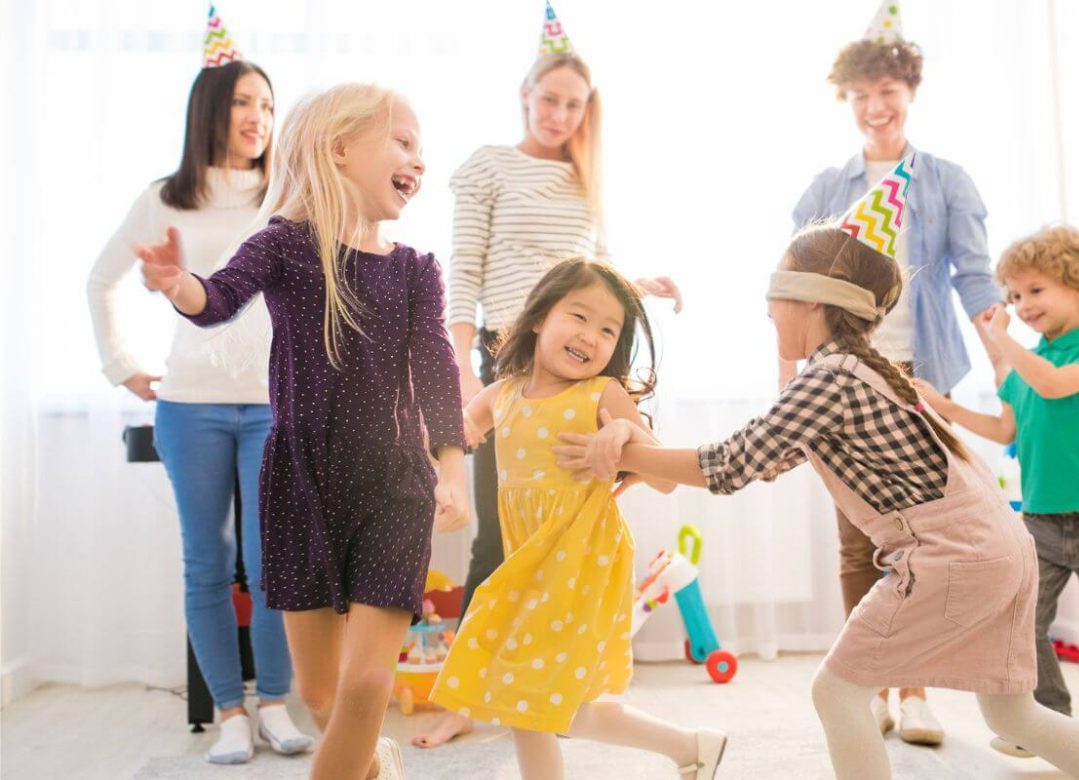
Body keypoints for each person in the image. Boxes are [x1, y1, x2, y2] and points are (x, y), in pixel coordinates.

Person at [556, 165, 1079, 780]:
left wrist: (624, 452)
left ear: (811, 299)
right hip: (1001, 549)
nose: (768, 314)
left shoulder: (831, 377)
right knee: (1014, 715)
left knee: (836, 692)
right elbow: (764, 458)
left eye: (774, 300)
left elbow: (730, 464)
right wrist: (642, 457)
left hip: (953, 557)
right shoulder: (858, 369)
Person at [137, 83, 468, 780]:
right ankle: (372, 764)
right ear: (339, 148)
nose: (419, 160)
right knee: (321, 698)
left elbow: (438, 371)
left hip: (392, 485)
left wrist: (452, 470)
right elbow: (217, 298)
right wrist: (177, 285)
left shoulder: (416, 271)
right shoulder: (284, 245)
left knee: (367, 684)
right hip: (299, 484)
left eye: (421, 149)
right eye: (403, 142)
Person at [415, 8, 681, 749]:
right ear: (526, 96)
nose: (562, 115)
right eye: (551, 99)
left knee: (573, 518)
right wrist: (461, 371)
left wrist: (636, 286)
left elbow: (590, 277)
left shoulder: (584, 178)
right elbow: (465, 272)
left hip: (579, 367)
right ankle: (467, 693)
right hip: (508, 362)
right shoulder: (490, 166)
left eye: (575, 104)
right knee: (499, 532)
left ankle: (551, 680)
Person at [86, 39, 313, 763]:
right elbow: (101, 281)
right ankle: (229, 712)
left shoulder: (287, 194)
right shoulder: (164, 198)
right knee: (207, 564)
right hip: (190, 407)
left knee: (272, 564)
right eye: (244, 102)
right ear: (210, 110)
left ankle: (274, 703)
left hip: (273, 405)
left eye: (267, 105)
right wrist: (123, 368)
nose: (259, 117)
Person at [786, 2, 1004, 742]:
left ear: (910, 92)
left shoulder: (946, 182)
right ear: (847, 100)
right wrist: (791, 374)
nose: (875, 107)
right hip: (845, 373)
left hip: (922, 374)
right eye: (861, 95)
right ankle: (869, 686)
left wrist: (1005, 359)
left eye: (887, 92)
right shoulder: (827, 188)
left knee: (928, 536)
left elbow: (975, 277)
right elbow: (797, 283)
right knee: (859, 535)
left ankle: (916, 692)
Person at [431, 258, 726, 780]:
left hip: (581, 564)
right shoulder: (502, 395)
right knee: (541, 699)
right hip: (528, 564)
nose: (592, 336)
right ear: (539, 317)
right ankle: (691, 747)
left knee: (527, 698)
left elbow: (664, 478)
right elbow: (450, 435)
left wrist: (623, 435)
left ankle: (690, 747)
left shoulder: (601, 394)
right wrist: (442, 471)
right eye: (580, 317)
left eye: (609, 329)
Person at [914, 226, 1079, 779]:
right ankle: (1052, 727)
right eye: (1015, 294)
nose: (1023, 305)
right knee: (1023, 626)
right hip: (1041, 522)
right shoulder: (1023, 367)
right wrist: (944, 408)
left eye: (1035, 290)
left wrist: (1000, 342)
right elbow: (1004, 428)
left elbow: (1053, 385)